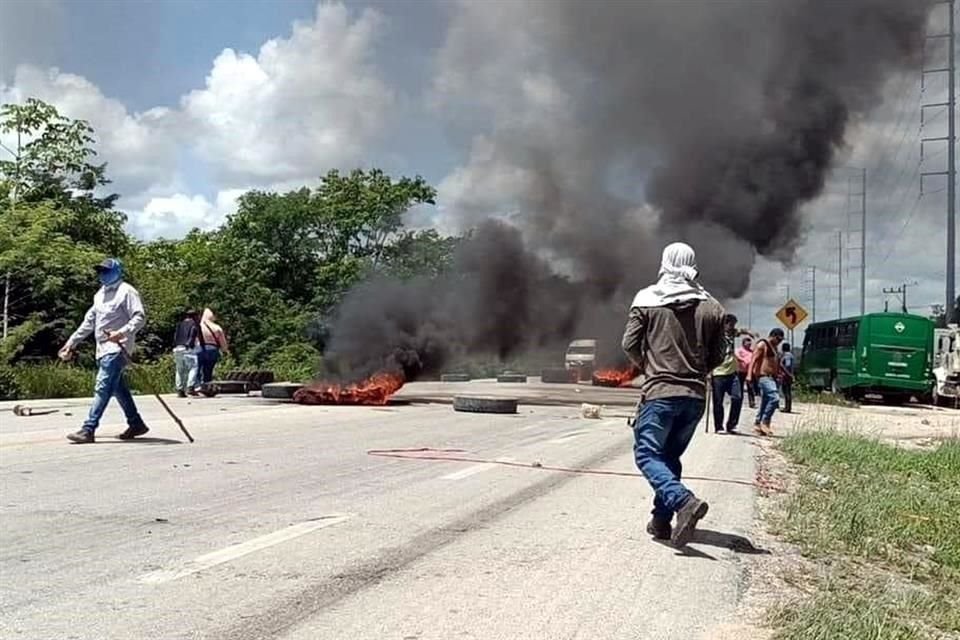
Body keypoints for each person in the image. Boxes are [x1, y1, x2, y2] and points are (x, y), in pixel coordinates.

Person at [622, 242, 726, 547]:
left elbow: (629, 344)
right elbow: (719, 354)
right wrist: (698, 371)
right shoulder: (713, 307)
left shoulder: (647, 300)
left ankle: (683, 501)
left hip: (660, 393)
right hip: (695, 397)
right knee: (670, 457)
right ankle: (661, 522)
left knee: (646, 454)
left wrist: (648, 366)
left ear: (665, 262)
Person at [58, 258, 149, 444]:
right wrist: (71, 342)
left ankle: (88, 429)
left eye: (106, 271)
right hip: (102, 349)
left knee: (102, 386)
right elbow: (89, 322)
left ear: (117, 271)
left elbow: (140, 317)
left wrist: (121, 332)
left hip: (118, 349)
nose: (102, 274)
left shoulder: (127, 291)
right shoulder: (100, 294)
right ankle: (136, 423)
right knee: (118, 388)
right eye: (100, 271)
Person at [710, 314, 748, 434]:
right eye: (731, 324)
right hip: (718, 372)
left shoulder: (732, 333)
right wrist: (708, 371)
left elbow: (741, 331)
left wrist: (750, 333)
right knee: (718, 401)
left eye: (734, 324)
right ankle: (719, 426)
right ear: (725, 324)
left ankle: (732, 425)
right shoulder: (715, 336)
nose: (732, 327)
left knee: (737, 397)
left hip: (732, 372)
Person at [747, 328, 785, 436]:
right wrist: (749, 375)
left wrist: (779, 373)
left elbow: (775, 362)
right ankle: (765, 421)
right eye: (778, 339)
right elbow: (753, 360)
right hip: (764, 377)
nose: (779, 342)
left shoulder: (774, 347)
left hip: (772, 378)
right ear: (773, 336)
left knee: (765, 401)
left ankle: (758, 423)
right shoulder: (762, 345)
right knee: (774, 398)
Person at [173, 309, 200, 398]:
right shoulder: (194, 324)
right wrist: (190, 345)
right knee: (193, 367)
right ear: (195, 316)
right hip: (188, 348)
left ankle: (179, 390)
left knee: (179, 369)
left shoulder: (179, 324)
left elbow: (175, 337)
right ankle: (190, 387)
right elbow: (193, 334)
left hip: (177, 348)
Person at [197, 308, 229, 384]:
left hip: (199, 349)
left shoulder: (198, 326)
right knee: (208, 370)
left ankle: (197, 386)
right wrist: (225, 350)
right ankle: (207, 384)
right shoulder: (217, 327)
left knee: (197, 369)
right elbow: (222, 342)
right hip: (212, 350)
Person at [735, 336, 757, 408]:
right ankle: (739, 401)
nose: (749, 345)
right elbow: (736, 356)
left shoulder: (751, 351)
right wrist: (743, 360)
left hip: (749, 372)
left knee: (750, 387)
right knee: (740, 387)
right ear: (743, 343)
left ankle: (752, 402)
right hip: (741, 371)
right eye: (748, 343)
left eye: (750, 344)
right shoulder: (739, 350)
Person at [779, 342, 795, 413]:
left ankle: (787, 408)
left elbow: (787, 365)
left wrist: (787, 373)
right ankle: (787, 407)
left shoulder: (787, 355)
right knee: (787, 391)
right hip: (788, 375)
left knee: (786, 391)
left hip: (786, 376)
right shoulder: (790, 355)